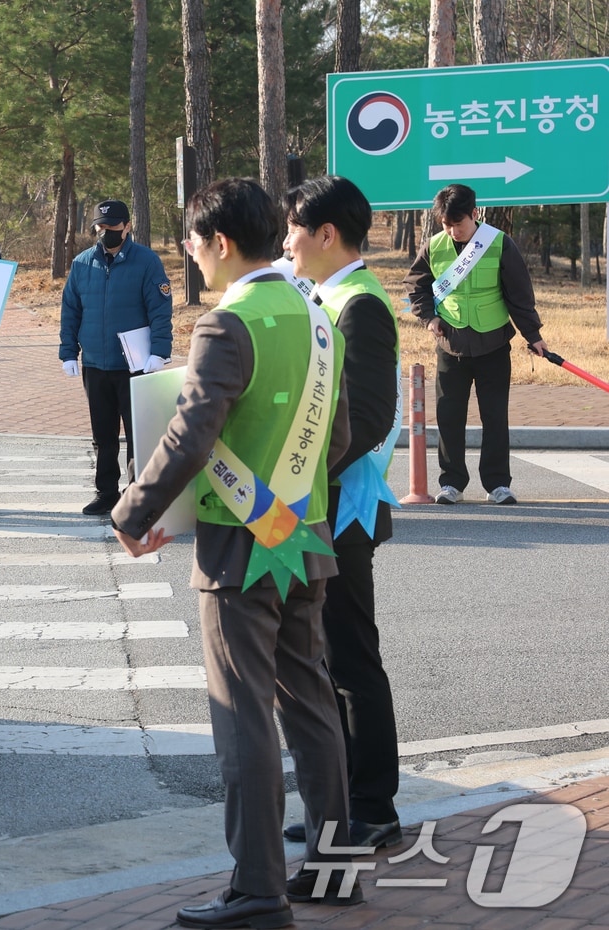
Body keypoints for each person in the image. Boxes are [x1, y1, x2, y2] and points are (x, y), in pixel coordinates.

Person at [112, 178, 359, 928]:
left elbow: (191, 433)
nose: (190, 257)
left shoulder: (228, 325)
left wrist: (133, 510)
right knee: (312, 706)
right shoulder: (318, 320)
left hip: (241, 550)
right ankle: (335, 870)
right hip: (303, 539)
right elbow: (338, 438)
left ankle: (258, 890)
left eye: (191, 243)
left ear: (220, 244)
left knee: (243, 714)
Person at [281, 175, 402, 852]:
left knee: (351, 660)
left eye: (294, 226)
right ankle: (338, 803)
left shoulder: (360, 305)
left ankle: (373, 808)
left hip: (342, 509)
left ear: (327, 234)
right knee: (325, 660)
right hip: (318, 505)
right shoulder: (326, 296)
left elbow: (368, 416)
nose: (287, 240)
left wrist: (297, 477)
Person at [405, 183, 548, 505]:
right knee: (449, 416)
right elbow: (416, 287)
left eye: (459, 223)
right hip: (450, 346)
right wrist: (429, 318)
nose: (453, 231)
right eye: (446, 224)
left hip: (494, 344)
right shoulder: (433, 246)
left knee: (494, 416)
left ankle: (498, 484)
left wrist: (533, 335)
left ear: (475, 214)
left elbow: (519, 295)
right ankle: (451, 483)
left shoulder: (499, 244)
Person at [59, 199, 174, 516]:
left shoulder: (147, 262)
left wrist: (159, 353)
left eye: (112, 227)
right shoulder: (83, 263)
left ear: (127, 227)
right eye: (101, 227)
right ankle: (105, 492)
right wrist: (69, 352)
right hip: (95, 364)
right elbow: (71, 310)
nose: (105, 232)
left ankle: (138, 494)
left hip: (134, 366)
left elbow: (160, 311)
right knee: (103, 434)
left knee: (139, 434)